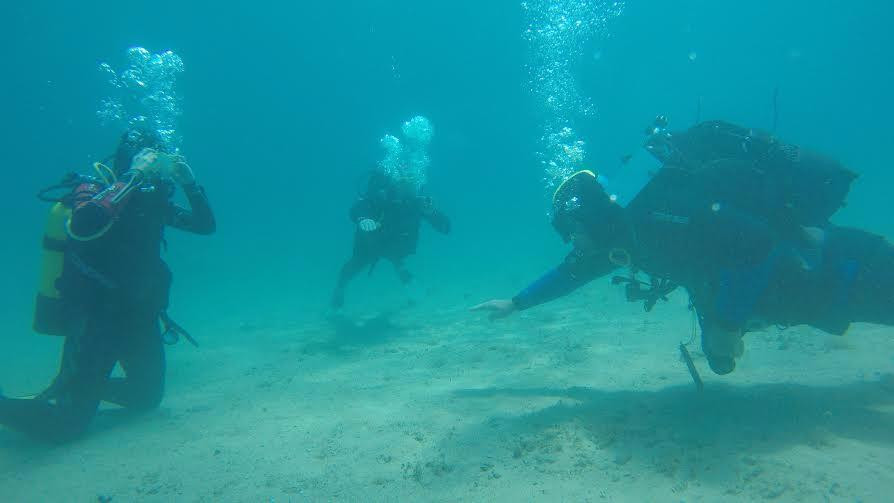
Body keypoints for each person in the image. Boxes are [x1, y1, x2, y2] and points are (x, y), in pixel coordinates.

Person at [473, 119, 893, 376]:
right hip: (816, 284)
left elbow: (761, 243)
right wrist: (516, 303)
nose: (572, 244)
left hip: (843, 268)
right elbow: (569, 275)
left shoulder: (657, 216)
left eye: (572, 232)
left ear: (592, 221)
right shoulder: (616, 239)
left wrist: (727, 324)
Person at [0, 129, 215, 442]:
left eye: (157, 158)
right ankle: (65, 394)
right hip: (94, 320)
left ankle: (77, 386)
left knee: (146, 397)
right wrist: (133, 175)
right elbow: (87, 222)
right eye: (147, 157)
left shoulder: (151, 202)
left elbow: (204, 225)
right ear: (128, 157)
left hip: (140, 316)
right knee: (65, 426)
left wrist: (189, 183)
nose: (153, 165)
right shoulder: (93, 188)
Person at [331, 170, 451, 308]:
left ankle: (403, 271)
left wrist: (433, 213)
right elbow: (358, 208)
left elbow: (445, 228)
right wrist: (363, 218)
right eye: (402, 182)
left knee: (396, 258)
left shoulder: (418, 203)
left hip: (394, 247)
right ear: (395, 183)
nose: (407, 188)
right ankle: (340, 289)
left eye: (411, 183)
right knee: (354, 265)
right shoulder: (381, 197)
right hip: (372, 244)